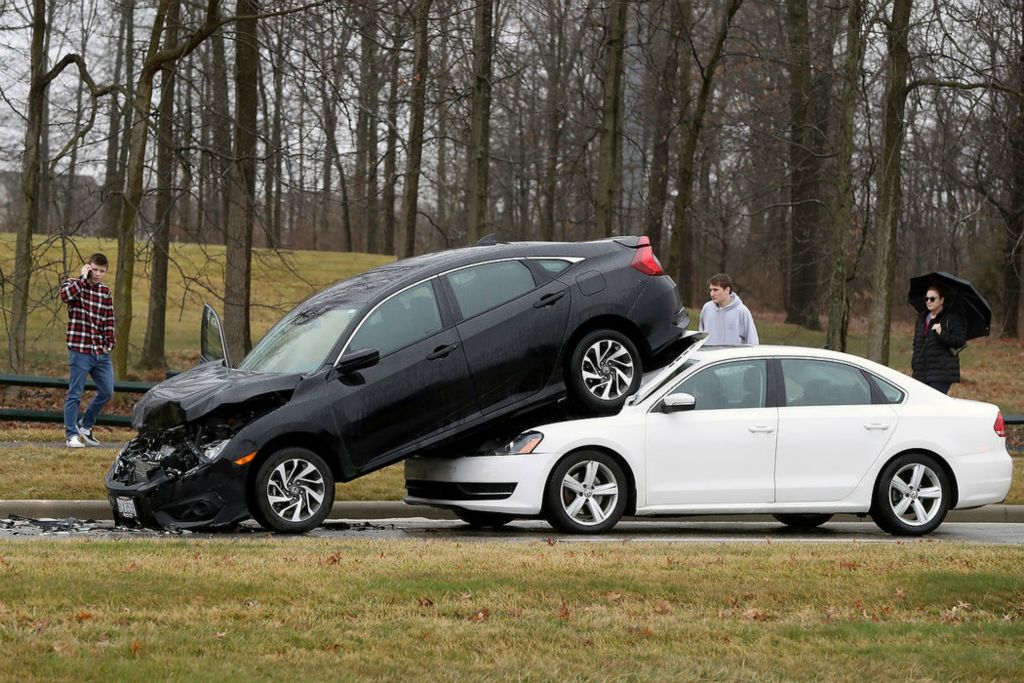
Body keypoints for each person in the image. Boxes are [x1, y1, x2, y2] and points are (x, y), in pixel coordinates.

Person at [59, 253, 115, 448]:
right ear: (88, 267)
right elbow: (65, 296)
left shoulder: (105, 292)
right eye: (95, 269)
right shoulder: (74, 284)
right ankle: (71, 435)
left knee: (107, 391)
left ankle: (86, 425)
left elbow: (109, 319)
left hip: (100, 352)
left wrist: (109, 344)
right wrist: (82, 278)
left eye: (102, 271)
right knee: (75, 393)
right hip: (80, 349)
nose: (98, 274)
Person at [911, 284, 966, 395]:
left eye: (932, 299)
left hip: (941, 374)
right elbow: (916, 344)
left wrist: (942, 333)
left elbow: (960, 341)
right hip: (920, 373)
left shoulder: (951, 318)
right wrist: (914, 364)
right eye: (926, 299)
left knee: (933, 407)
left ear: (941, 300)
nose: (928, 301)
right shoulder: (921, 319)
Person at [698, 273, 759, 345]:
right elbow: (701, 336)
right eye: (710, 290)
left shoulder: (742, 311)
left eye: (715, 290)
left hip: (733, 356)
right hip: (709, 356)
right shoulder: (707, 308)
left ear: (727, 290)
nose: (712, 294)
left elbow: (753, 342)